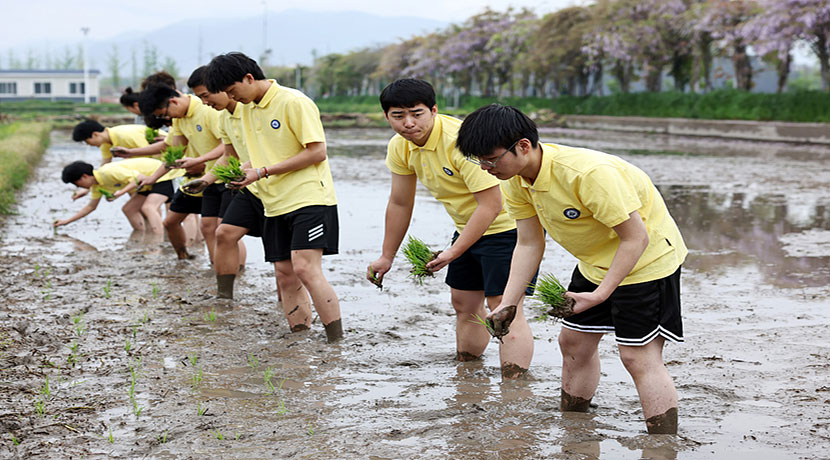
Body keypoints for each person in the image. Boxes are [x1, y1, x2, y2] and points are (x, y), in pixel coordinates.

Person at [455, 104, 688, 434]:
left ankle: (662, 447)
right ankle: (575, 425)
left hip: (647, 263)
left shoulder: (588, 174)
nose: (486, 168)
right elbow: (529, 243)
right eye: (478, 161)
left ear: (523, 146)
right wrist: (508, 302)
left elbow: (636, 238)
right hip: (595, 263)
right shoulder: (515, 179)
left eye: (491, 159)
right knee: (574, 343)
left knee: (638, 357)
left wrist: (600, 295)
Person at [365, 79, 533, 379]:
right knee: (463, 302)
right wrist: (386, 256)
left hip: (509, 228)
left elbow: (491, 205)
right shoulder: (399, 147)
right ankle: (468, 372)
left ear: (433, 110)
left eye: (417, 114)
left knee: (503, 307)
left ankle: (514, 387)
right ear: (386, 116)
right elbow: (400, 202)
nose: (408, 123)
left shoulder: (462, 142)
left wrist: (452, 252)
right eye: (398, 116)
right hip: (468, 228)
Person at [204, 52, 342, 342]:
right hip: (272, 201)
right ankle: (299, 337)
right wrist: (241, 174)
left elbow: (317, 152)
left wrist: (263, 171)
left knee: (305, 268)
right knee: (284, 273)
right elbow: (252, 158)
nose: (232, 98)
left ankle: (335, 341)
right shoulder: (246, 110)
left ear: (249, 78)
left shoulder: (293, 101)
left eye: (232, 91)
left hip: (309, 197)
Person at [122, 80, 225, 261]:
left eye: (163, 115)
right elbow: (173, 152)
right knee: (171, 222)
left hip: (220, 177)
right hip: (195, 180)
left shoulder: (207, 110)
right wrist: (152, 178)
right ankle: (184, 258)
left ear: (173, 102)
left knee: (220, 229)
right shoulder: (179, 118)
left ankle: (228, 271)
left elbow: (228, 146)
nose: (166, 120)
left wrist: (200, 160)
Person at [178, 65, 251, 299]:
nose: (204, 102)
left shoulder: (250, 111)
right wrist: (206, 180)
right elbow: (229, 154)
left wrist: (247, 172)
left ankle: (237, 273)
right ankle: (224, 289)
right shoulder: (225, 117)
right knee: (219, 231)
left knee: (288, 265)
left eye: (205, 96)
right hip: (232, 178)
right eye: (199, 97)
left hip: (256, 182)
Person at [54, 158, 181, 234]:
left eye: (78, 183)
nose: (79, 187)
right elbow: (91, 207)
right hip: (146, 184)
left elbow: (139, 177)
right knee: (128, 209)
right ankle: (143, 235)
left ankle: (158, 240)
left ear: (85, 176)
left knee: (148, 207)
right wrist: (66, 221)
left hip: (160, 175)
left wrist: (120, 192)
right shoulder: (97, 186)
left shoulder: (107, 172)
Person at [71, 119, 164, 166]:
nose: (88, 145)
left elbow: (153, 152)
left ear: (95, 134)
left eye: (86, 141)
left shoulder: (123, 135)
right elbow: (105, 166)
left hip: (167, 157)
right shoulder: (106, 144)